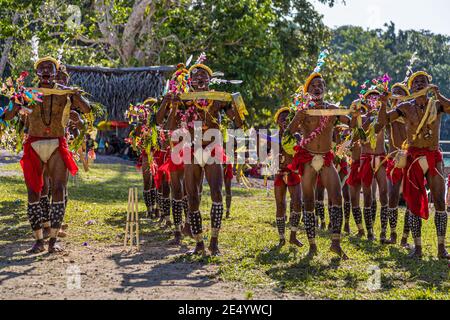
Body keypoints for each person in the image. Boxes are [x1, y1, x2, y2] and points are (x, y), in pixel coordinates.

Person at [4, 56, 90, 253]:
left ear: (55, 72)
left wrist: (76, 95)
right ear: (36, 73)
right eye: (41, 68)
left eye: (49, 68)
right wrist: (15, 103)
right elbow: (7, 116)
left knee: (58, 189)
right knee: (34, 192)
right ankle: (38, 241)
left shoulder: (64, 93)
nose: (45, 71)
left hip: (57, 144)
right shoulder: (27, 94)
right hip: (33, 144)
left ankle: (53, 241)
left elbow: (86, 109)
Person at [164, 55, 245, 255]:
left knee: (217, 193)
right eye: (196, 76)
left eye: (204, 76)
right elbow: (170, 128)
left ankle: (214, 242)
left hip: (212, 149)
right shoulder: (183, 101)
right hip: (192, 149)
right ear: (189, 81)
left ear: (210, 80)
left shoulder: (217, 100)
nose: (200, 78)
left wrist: (234, 103)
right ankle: (199, 242)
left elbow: (239, 122)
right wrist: (174, 107)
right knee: (191, 196)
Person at [380, 71, 450, 259]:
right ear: (410, 88)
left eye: (424, 81)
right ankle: (417, 248)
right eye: (416, 82)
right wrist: (382, 103)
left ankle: (442, 248)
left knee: (440, 203)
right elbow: (383, 121)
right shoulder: (404, 107)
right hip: (413, 158)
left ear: (429, 84)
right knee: (413, 204)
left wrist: (438, 94)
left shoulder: (437, 104)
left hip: (433, 155)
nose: (420, 84)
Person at [287, 72, 357, 259]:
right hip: (308, 159)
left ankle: (335, 243)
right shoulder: (303, 110)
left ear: (325, 90)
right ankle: (312, 245)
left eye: (320, 85)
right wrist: (298, 117)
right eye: (313, 86)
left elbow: (352, 124)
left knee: (337, 198)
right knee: (308, 201)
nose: (317, 88)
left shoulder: (332, 109)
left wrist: (355, 114)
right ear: (307, 91)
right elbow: (289, 131)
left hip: (326, 158)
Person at [355, 90, 389, 243]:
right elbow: (356, 137)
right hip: (366, 158)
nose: (373, 100)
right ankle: (369, 232)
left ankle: (383, 232)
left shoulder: (383, 115)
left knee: (383, 193)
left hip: (381, 157)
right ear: (365, 101)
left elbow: (384, 124)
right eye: (370, 98)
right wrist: (366, 120)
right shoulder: (361, 118)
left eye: (376, 98)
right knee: (367, 195)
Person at [273, 107, 303, 248]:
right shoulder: (274, 137)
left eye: (288, 118)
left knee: (297, 202)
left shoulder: (297, 136)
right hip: (279, 172)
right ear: (277, 121)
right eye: (282, 118)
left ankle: (293, 236)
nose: (285, 120)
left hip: (293, 173)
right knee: (280, 205)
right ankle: (281, 238)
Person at [386, 83, 411, 246]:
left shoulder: (412, 113)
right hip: (394, 159)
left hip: (410, 158)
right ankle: (393, 234)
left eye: (400, 93)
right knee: (393, 196)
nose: (397, 95)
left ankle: (405, 237)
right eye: (394, 93)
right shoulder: (388, 115)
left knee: (410, 198)